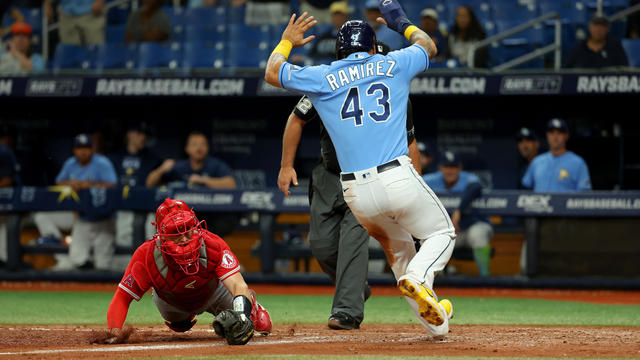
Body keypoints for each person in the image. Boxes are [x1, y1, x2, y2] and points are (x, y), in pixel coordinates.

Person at [264, 1, 455, 340]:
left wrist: (288, 41)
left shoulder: (324, 76)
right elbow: (428, 45)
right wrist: (400, 23)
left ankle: (436, 323)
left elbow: (272, 70)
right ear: (371, 46)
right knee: (442, 234)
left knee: (401, 255)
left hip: (356, 193)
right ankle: (421, 278)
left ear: (340, 49)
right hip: (396, 175)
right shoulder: (392, 63)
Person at [277, 41, 421, 330]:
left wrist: (414, 186)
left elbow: (409, 142)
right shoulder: (334, 83)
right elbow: (297, 118)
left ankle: (346, 311)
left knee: (354, 241)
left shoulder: (396, 91)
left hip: (370, 178)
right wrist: (286, 165)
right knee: (321, 245)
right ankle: (355, 288)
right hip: (330, 176)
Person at [104, 198, 272, 345]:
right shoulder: (146, 255)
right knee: (179, 326)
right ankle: (182, 319)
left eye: (187, 228)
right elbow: (123, 297)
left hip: (214, 292)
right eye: (174, 232)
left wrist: (242, 316)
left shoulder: (213, 244)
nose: (184, 237)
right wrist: (114, 331)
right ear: (161, 235)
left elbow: (237, 284)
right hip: (171, 301)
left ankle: (253, 308)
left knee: (261, 324)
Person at [33, 134, 118, 270]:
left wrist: (88, 185)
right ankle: (55, 240)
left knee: (103, 265)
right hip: (81, 216)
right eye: (80, 148)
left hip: (104, 218)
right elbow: (59, 182)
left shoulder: (102, 163)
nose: (83, 151)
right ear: (74, 150)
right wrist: (72, 183)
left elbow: (113, 186)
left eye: (86, 148)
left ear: (92, 149)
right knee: (78, 259)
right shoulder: (71, 163)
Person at [146, 131, 237, 236]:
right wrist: (161, 169)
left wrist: (202, 180)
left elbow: (231, 184)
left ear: (207, 148)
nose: (199, 148)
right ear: (187, 148)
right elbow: (149, 183)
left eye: (203, 144)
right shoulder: (179, 167)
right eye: (194, 144)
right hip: (185, 216)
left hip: (211, 215)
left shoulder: (215, 165)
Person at [423, 151, 493, 276]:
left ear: (459, 168)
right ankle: (432, 279)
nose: (450, 171)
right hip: (445, 233)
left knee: (478, 233)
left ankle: (484, 278)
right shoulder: (431, 180)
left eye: (454, 167)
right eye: (447, 167)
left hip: (469, 228)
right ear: (440, 168)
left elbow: (476, 187)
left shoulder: (469, 179)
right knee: (424, 238)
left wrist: (458, 210)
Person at [108, 123, 161, 257]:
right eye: (138, 134)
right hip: (118, 205)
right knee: (122, 240)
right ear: (129, 135)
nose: (142, 137)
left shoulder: (151, 158)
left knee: (146, 236)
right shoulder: (115, 157)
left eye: (144, 135)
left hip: (142, 205)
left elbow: (152, 184)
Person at [522, 118, 592, 192]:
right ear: (547, 135)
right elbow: (525, 188)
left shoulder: (578, 163)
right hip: (540, 203)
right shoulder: (537, 161)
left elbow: (585, 194)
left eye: (559, 133)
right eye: (551, 132)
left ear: (566, 136)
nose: (555, 136)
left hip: (564, 203)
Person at [564, 14, 629, 69]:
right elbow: (566, 71)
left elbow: (624, 69)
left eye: (602, 26)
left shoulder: (615, 46)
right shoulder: (579, 47)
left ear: (608, 29)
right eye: (595, 25)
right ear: (590, 27)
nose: (598, 29)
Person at [0, 126, 20, 268]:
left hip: (13, 200)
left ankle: (5, 259)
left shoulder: (4, 152)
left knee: (7, 222)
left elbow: (7, 181)